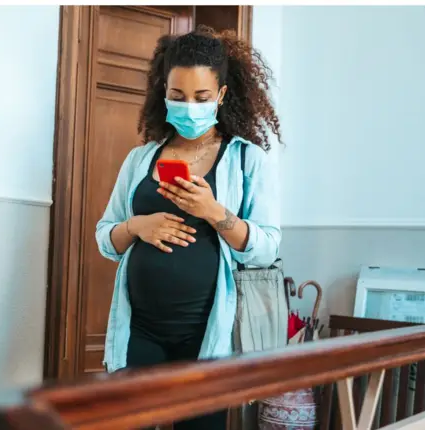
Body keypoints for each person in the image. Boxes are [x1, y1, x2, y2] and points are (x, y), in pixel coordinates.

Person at [95, 26, 282, 430]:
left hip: (206, 338)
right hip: (139, 331)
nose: (189, 106)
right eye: (177, 96)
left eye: (200, 97)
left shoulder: (247, 161)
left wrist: (215, 212)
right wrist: (137, 226)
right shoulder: (140, 159)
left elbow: (267, 247)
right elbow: (105, 237)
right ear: (164, 91)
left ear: (221, 95)